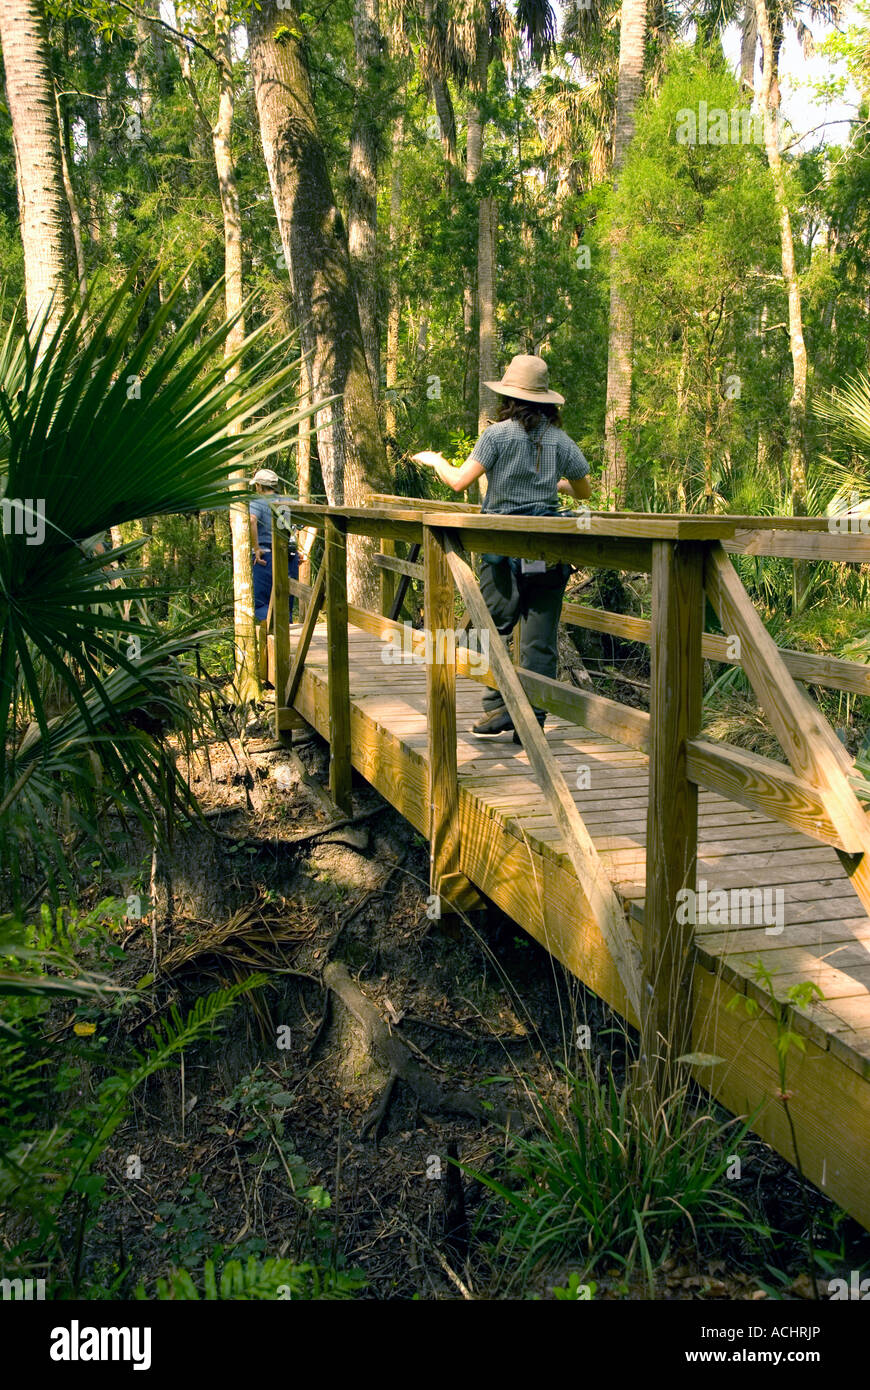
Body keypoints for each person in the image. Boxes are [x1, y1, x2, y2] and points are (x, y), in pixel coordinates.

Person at [413, 353, 591, 740]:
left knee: (492, 630)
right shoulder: (561, 441)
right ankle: (532, 719)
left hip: (501, 550)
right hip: (549, 548)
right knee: (540, 640)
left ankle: (499, 707)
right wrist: (553, 484)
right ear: (545, 401)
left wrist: (436, 461)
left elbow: (460, 482)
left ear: (509, 398)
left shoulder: (497, 435)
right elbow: (584, 490)